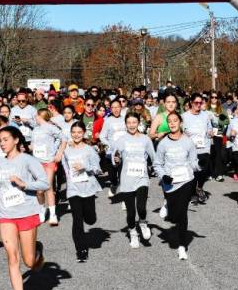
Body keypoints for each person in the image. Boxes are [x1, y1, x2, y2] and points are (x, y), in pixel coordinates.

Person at [0, 126, 48, 290]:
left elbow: (44, 183)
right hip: (6, 215)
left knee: (29, 262)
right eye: (0, 140)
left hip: (27, 212)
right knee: (12, 258)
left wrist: (24, 185)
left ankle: (37, 253)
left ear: (16, 140)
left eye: (5, 139)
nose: (2, 143)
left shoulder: (28, 160)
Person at [154, 112, 198, 260]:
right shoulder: (163, 143)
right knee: (173, 217)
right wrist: (163, 176)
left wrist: (200, 165)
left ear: (180, 122)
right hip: (170, 183)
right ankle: (167, 203)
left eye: (175, 121)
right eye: (170, 121)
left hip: (186, 181)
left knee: (182, 213)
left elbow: (193, 162)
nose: (172, 123)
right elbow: (157, 164)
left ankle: (182, 246)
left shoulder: (188, 141)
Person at [111, 112, 155, 248]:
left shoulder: (145, 139)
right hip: (126, 179)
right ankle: (133, 233)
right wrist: (116, 160)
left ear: (138, 123)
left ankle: (143, 222)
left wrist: (160, 171)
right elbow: (115, 159)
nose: (131, 125)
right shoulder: (121, 140)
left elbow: (154, 157)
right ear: (126, 124)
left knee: (141, 207)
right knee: (131, 212)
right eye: (129, 123)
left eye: (134, 122)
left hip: (142, 178)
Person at [61, 121, 102, 262]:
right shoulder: (66, 151)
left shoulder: (89, 150)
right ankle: (81, 249)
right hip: (73, 189)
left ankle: (90, 215)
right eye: (74, 132)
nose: (76, 135)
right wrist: (69, 179)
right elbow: (65, 168)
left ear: (83, 133)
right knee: (77, 220)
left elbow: (98, 169)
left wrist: (84, 166)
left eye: (79, 132)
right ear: (71, 133)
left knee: (90, 220)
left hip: (88, 188)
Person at [30, 109, 66, 225]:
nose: (35, 117)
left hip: (49, 161)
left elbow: (64, 138)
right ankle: (41, 210)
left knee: (48, 187)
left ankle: (53, 214)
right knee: (39, 191)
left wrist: (59, 153)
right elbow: (33, 145)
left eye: (36, 115)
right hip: (37, 162)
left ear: (41, 116)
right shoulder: (35, 130)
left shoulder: (50, 127)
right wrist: (28, 148)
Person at [182, 93, 213, 204]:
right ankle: (193, 194)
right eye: (196, 102)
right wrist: (185, 134)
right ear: (191, 102)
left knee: (203, 170)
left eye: (201, 103)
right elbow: (180, 130)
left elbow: (209, 128)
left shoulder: (205, 115)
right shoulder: (184, 116)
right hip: (190, 148)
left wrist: (210, 132)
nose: (199, 105)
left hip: (204, 147)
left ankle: (199, 187)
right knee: (193, 171)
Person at [100, 100, 127, 198]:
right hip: (111, 153)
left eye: (118, 107)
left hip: (123, 153)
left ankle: (125, 200)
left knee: (123, 176)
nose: (116, 109)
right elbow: (102, 136)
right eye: (113, 107)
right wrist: (110, 144)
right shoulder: (107, 120)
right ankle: (114, 185)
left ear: (121, 107)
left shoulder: (125, 119)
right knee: (112, 176)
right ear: (110, 109)